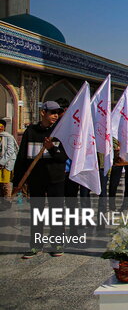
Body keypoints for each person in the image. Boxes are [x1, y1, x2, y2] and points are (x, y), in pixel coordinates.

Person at [13, 101, 68, 258]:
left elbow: (63, 157)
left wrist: (52, 149)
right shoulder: (31, 131)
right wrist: (18, 181)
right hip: (36, 179)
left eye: (57, 112)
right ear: (43, 112)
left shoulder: (59, 132)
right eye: (52, 112)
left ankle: (57, 243)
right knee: (37, 212)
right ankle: (36, 245)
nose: (55, 115)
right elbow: (22, 157)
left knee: (56, 212)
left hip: (55, 179)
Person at [0, 119, 18, 204]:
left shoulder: (8, 137)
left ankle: (7, 201)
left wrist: (2, 162)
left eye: (1, 127)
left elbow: (10, 151)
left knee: (5, 182)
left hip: (6, 163)